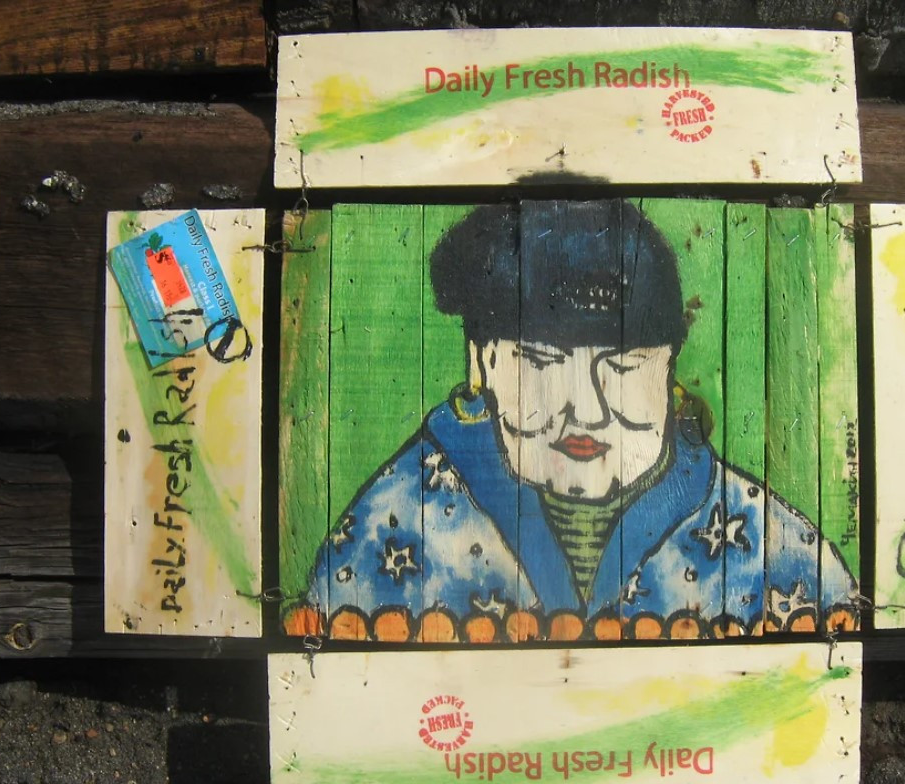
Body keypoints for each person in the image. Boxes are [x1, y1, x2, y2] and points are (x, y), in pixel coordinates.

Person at [284, 200, 858, 642]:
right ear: (482, 361)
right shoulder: (396, 522)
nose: (586, 411)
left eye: (624, 367)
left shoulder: (771, 545)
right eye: (541, 362)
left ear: (669, 368)